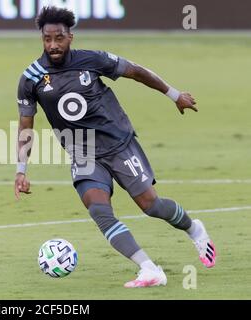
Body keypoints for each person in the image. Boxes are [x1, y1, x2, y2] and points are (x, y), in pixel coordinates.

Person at [14, 6, 216, 288]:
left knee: (151, 205)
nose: (53, 45)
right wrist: (21, 170)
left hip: (118, 144)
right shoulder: (31, 78)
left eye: (58, 38)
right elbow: (26, 127)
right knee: (99, 211)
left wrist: (174, 95)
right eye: (47, 39)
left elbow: (135, 71)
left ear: (70, 37)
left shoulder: (93, 60)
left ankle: (194, 229)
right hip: (82, 153)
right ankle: (149, 269)